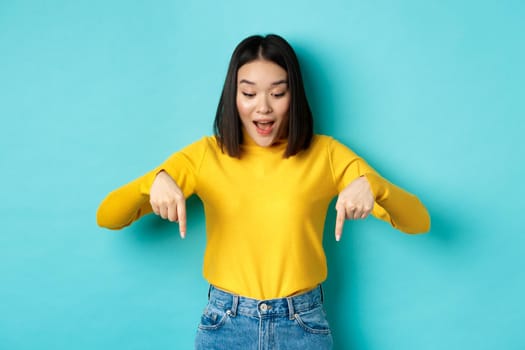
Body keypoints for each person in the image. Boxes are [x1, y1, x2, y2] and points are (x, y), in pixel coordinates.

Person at [96, 34, 430, 350]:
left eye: (278, 93)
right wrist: (154, 181)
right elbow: (108, 216)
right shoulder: (205, 156)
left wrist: (374, 187)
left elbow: (419, 221)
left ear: (293, 96)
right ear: (234, 96)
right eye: (249, 93)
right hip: (225, 324)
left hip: (302, 325)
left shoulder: (327, 155)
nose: (263, 107)